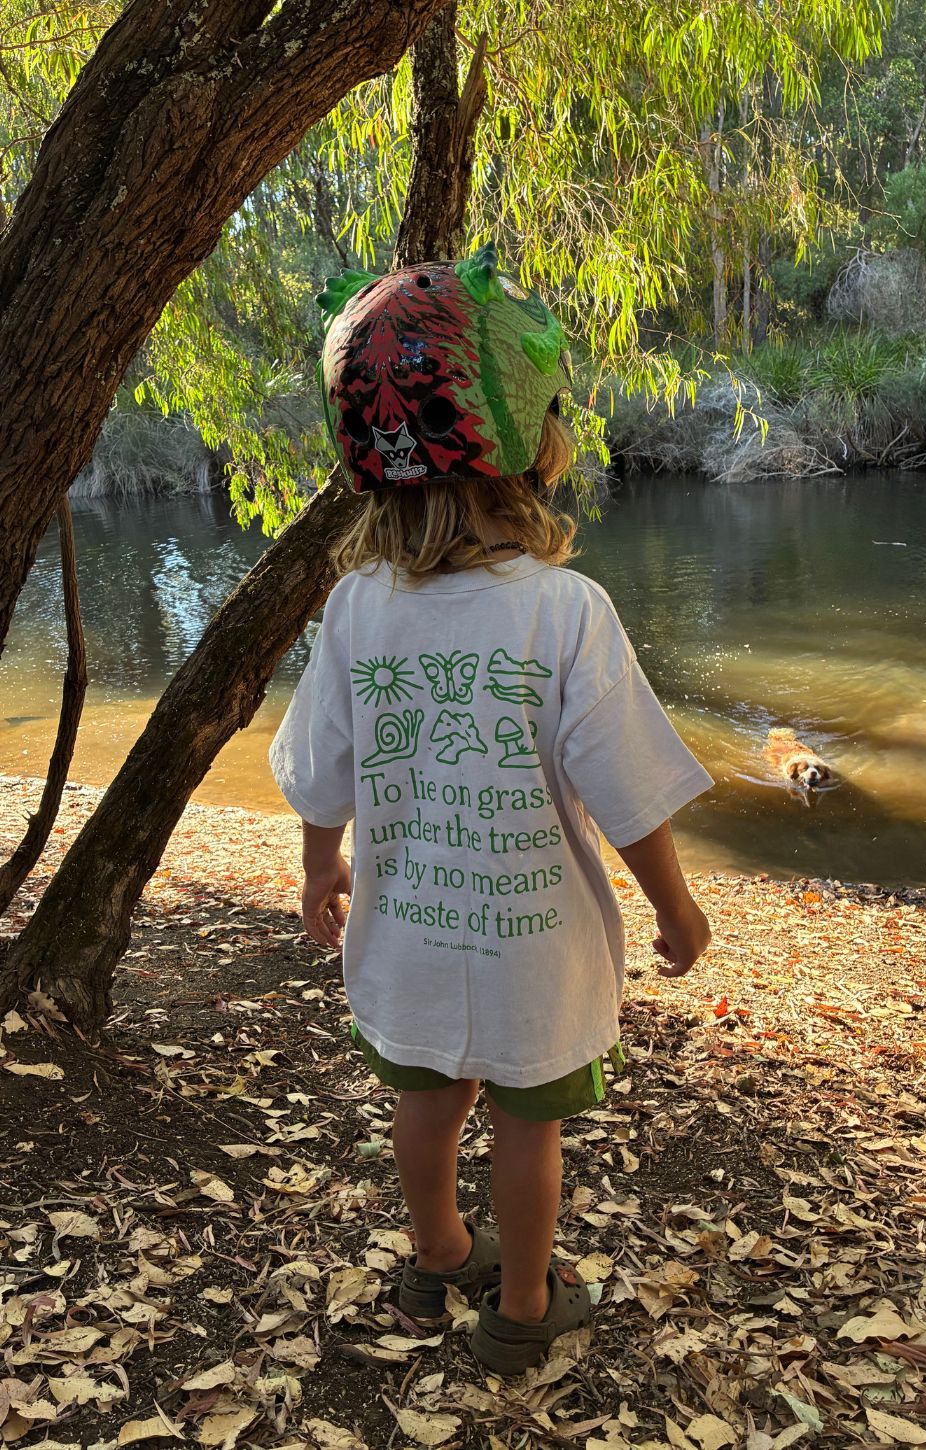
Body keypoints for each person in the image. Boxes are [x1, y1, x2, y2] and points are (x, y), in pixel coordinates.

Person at [269, 243, 713, 1374]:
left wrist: (323, 867)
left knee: (427, 1092)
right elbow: (626, 783)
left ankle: (437, 1252)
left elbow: (323, 764)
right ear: (527, 441)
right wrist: (674, 907)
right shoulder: (563, 610)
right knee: (529, 1116)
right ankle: (522, 1306)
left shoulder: (356, 608)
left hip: (411, 925)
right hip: (533, 942)